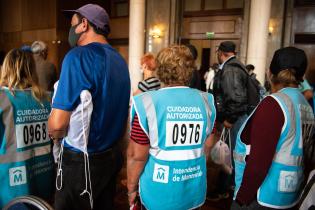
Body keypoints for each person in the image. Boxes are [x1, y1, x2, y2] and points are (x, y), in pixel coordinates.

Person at [48, 4, 130, 210]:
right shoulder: (120, 61)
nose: (72, 30)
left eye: (73, 24)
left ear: (84, 24)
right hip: (111, 157)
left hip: (81, 161)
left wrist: (54, 135)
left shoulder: (78, 57)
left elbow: (57, 125)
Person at [127, 45, 216, 210]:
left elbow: (136, 156)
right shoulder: (207, 101)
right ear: (190, 69)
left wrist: (131, 189)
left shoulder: (146, 102)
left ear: (160, 69)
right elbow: (209, 143)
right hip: (193, 189)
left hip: (159, 192)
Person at [232, 47, 315, 210]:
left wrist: (241, 199)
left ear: (270, 72)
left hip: (261, 197)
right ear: (301, 77)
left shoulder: (273, 104)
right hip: (290, 195)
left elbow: (259, 162)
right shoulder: (305, 105)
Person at [0, 49, 54, 208]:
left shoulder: (3, 99)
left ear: (6, 68)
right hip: (43, 178)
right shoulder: (47, 98)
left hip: (10, 187)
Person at [210, 41, 249, 200]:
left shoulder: (231, 69)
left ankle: (223, 189)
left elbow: (237, 99)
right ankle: (230, 185)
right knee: (232, 154)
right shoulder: (236, 66)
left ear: (221, 53)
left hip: (236, 119)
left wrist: (229, 119)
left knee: (230, 156)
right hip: (237, 118)